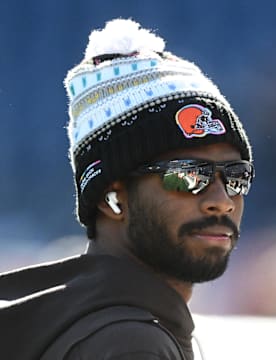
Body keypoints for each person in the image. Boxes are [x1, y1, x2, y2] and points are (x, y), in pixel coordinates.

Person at [0, 18, 254, 360]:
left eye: (236, 176)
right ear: (111, 197)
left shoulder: (69, 321)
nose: (222, 202)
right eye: (188, 176)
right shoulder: (131, 344)